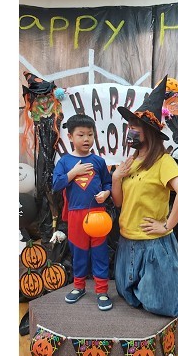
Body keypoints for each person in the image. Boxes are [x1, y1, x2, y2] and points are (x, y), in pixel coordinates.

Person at [111, 76, 178, 321]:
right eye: (129, 125)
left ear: (149, 131)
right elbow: (119, 203)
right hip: (128, 242)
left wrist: (167, 225)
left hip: (153, 244)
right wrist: (116, 178)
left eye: (135, 126)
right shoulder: (131, 161)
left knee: (156, 303)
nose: (129, 130)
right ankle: (165, 287)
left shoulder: (163, 161)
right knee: (127, 295)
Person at [52, 114, 113, 311]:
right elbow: (56, 184)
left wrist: (107, 193)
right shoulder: (64, 162)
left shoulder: (98, 161)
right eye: (81, 135)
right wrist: (73, 173)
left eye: (90, 134)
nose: (86, 139)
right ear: (70, 137)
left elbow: (108, 182)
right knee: (78, 252)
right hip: (75, 215)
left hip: (98, 214)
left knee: (100, 252)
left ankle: (102, 290)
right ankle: (79, 287)